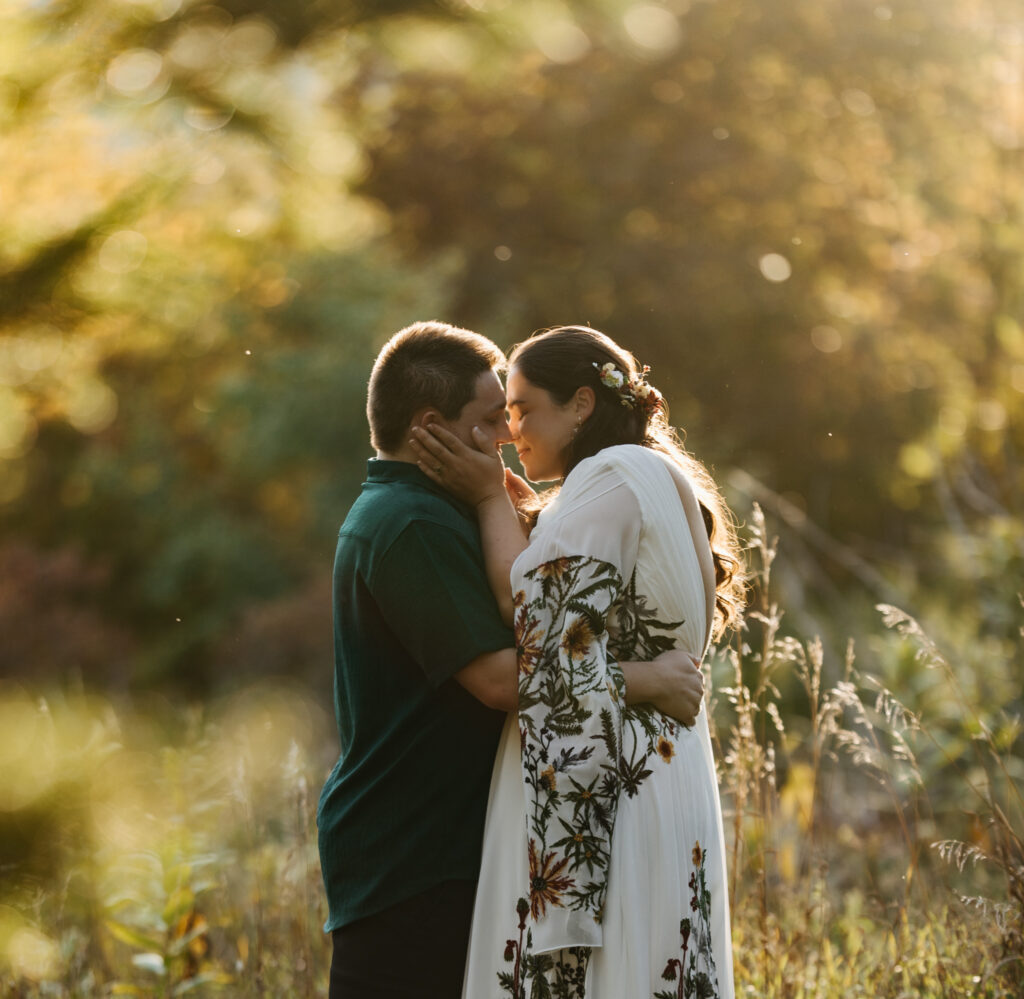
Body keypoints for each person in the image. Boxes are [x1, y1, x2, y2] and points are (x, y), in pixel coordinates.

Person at [317, 320, 708, 999]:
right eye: (493, 417)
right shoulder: (412, 523)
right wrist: (645, 678)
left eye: (515, 413)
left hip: (446, 846)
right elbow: (501, 677)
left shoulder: (447, 511)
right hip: (413, 855)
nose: (506, 435)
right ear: (431, 426)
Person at [409, 325, 743, 998]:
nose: (511, 427)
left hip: (619, 785)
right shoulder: (650, 476)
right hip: (664, 768)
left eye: (525, 407)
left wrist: (483, 499)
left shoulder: (607, 477)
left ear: (583, 405)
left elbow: (531, 617)